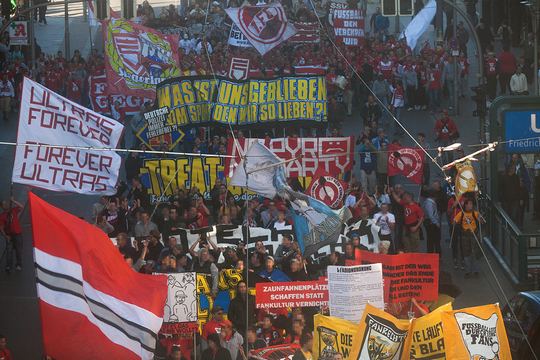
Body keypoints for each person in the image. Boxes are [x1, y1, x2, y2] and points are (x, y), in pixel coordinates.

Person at [454, 198, 484, 278]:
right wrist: (456, 221)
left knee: (475, 252)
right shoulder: (461, 214)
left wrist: (481, 218)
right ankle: (468, 271)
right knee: (466, 253)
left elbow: (482, 221)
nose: (471, 205)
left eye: (471, 204)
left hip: (474, 235)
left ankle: (476, 270)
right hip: (465, 236)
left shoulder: (475, 213)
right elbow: (454, 222)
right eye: (469, 204)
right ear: (465, 205)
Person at [0, 197, 24, 272]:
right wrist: (6, 236)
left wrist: (13, 201)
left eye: (6, 203)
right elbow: (1, 228)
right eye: (3, 204)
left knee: (18, 251)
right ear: (1, 207)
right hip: (9, 236)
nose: (6, 205)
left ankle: (19, 265)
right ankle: (8, 266)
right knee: (9, 252)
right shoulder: (2, 216)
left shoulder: (13, 210)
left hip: (18, 234)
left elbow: (21, 207)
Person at [422, 190, 441, 254]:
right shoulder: (429, 203)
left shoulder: (430, 202)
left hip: (431, 223)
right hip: (431, 224)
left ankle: (433, 254)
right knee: (433, 240)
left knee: (432, 240)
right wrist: (436, 223)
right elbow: (431, 215)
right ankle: (432, 254)